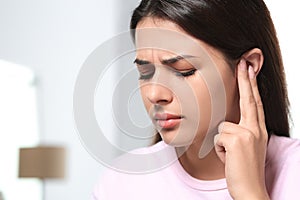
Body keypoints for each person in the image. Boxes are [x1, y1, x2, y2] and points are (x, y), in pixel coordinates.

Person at [93, 0, 300, 199]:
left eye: (183, 71)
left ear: (249, 66)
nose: (155, 94)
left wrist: (251, 194)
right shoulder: (121, 182)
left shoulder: (293, 172)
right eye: (145, 72)